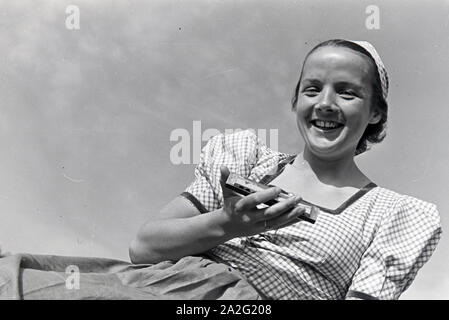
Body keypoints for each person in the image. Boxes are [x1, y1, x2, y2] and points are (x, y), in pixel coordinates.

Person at [0, 39, 442, 300]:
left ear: (376, 113)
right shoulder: (247, 161)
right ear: (296, 102)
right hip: (165, 289)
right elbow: (144, 246)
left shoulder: (395, 214)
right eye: (313, 89)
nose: (325, 103)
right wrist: (229, 222)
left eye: (347, 92)